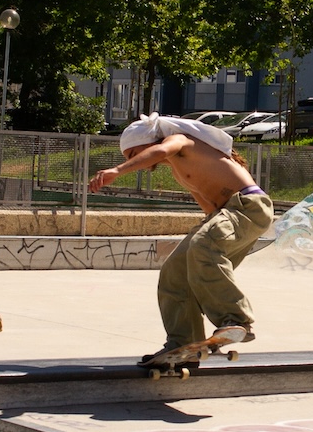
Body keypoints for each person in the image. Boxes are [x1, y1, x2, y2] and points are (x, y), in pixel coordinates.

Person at [90, 113, 273, 361]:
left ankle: (235, 319)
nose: (135, 162)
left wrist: (118, 170)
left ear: (148, 143)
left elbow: (160, 152)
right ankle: (184, 343)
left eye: (133, 155)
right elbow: (210, 210)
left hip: (248, 206)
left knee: (202, 246)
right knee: (174, 272)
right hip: (225, 215)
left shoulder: (180, 141)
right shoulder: (179, 171)